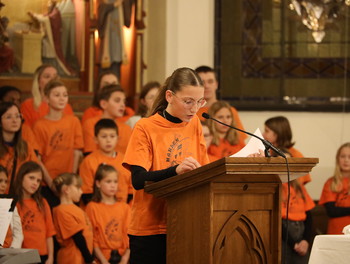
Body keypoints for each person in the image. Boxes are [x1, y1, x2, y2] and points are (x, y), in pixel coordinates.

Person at [122, 67, 210, 263]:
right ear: (169, 96)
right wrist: (175, 170)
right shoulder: (145, 127)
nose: (195, 109)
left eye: (199, 102)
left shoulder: (194, 123)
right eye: (188, 102)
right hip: (150, 228)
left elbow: (205, 171)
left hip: (185, 222)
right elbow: (138, 180)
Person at [33, 80, 84, 208]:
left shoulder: (73, 121)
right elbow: (38, 158)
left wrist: (70, 181)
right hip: (47, 183)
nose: (62, 99)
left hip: (68, 184)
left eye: (65, 95)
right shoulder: (40, 125)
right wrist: (51, 183)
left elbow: (76, 152)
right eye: (57, 95)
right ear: (46, 98)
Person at [0, 102, 50, 194]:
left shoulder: (26, 147)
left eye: (18, 116)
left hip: (19, 198)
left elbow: (35, 171)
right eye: (9, 117)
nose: (15, 120)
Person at [79, 119, 131, 205]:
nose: (108, 140)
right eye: (103, 136)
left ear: (118, 138)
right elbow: (86, 194)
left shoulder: (126, 161)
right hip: (98, 211)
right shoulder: (89, 161)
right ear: (95, 139)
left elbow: (131, 191)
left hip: (123, 211)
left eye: (112, 136)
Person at [86, 164, 130, 264]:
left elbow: (129, 235)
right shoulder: (92, 207)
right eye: (108, 181)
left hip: (123, 257)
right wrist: (103, 261)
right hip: (102, 258)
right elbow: (93, 238)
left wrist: (124, 259)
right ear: (98, 183)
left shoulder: (125, 207)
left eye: (115, 181)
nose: (113, 185)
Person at [13, 161, 56, 264]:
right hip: (22, 255)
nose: (35, 183)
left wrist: (51, 257)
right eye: (31, 178)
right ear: (21, 177)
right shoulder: (13, 203)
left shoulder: (42, 203)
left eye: (38, 180)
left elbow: (49, 232)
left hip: (42, 256)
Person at [194, 65, 247, 144]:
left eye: (210, 81)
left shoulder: (229, 111)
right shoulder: (190, 112)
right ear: (195, 85)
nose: (206, 86)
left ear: (216, 84)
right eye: (202, 82)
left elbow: (239, 142)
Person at [52, 172, 95, 264]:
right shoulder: (62, 210)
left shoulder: (76, 209)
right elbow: (78, 237)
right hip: (72, 258)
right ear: (66, 189)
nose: (81, 191)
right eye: (78, 188)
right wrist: (90, 259)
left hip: (80, 257)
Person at [83, 84, 132, 155]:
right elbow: (90, 154)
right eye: (117, 101)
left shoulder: (127, 129)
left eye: (124, 101)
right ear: (103, 104)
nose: (122, 105)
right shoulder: (91, 124)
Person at [281, 164, 315, 263]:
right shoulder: (275, 187)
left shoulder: (299, 187)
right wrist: (293, 244)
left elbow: (309, 217)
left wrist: (305, 240)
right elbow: (275, 221)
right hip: (283, 235)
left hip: (301, 235)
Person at [263, 116, 311, 184]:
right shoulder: (268, 151)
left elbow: (299, 183)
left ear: (277, 133)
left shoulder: (296, 154)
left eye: (266, 131)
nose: (263, 134)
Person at [319, 142, 350, 234]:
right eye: (343, 156)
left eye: (349, 157)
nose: (346, 160)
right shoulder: (330, 183)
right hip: (336, 232)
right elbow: (332, 211)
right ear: (337, 159)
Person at [0, 86, 40, 154]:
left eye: (18, 100)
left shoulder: (25, 130)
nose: (15, 103)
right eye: (11, 100)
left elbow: (35, 157)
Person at [0, 165, 23, 249]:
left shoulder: (10, 203)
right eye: (0, 181)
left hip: (9, 254)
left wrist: (12, 250)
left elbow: (18, 233)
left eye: (6, 182)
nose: (3, 185)